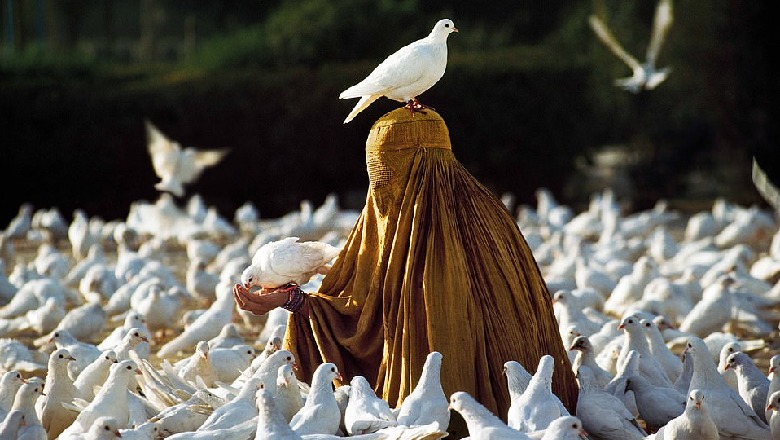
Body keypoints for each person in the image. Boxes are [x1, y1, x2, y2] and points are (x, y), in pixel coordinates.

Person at [234, 108, 578, 433]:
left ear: (422, 165)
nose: (381, 189)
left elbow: (364, 334)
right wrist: (289, 300)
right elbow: (358, 317)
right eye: (375, 178)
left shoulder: (471, 231)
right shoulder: (479, 220)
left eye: (387, 175)